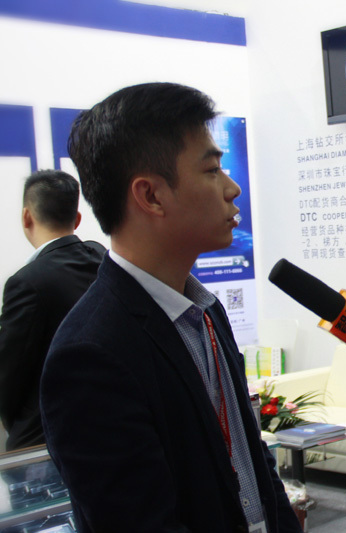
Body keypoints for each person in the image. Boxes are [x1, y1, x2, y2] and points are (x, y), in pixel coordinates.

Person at [40, 83, 301, 533]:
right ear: (151, 196)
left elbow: (249, 454)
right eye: (212, 170)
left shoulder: (206, 311)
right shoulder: (90, 355)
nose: (232, 188)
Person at [0, 170, 104, 451]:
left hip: (46, 440)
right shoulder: (103, 260)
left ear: (26, 217)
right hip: (104, 425)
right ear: (77, 219)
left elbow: (8, 377)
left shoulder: (27, 282)